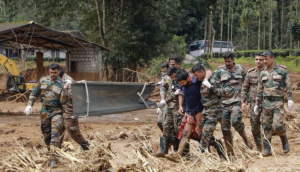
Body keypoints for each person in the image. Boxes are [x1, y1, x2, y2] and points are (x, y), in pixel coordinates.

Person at [204, 51, 253, 156]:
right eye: (225, 61)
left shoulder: (240, 69)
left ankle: (246, 139)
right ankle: (230, 152)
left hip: (237, 101)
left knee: (236, 121)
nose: (227, 63)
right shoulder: (220, 71)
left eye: (229, 61)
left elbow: (246, 85)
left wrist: (246, 100)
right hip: (224, 103)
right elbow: (213, 82)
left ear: (233, 60)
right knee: (225, 128)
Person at [24, 63, 64, 168]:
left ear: (59, 72)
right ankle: (53, 151)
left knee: (55, 134)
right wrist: (29, 105)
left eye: (55, 73)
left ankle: (53, 158)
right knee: (46, 135)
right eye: (51, 72)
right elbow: (34, 93)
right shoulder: (43, 81)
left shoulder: (63, 84)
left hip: (57, 112)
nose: (52, 74)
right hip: (45, 111)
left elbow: (68, 101)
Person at [254, 50, 294, 157]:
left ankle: (284, 139)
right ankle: (267, 148)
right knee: (266, 125)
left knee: (278, 125)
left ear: (272, 58)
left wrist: (290, 98)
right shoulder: (262, 72)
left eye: (266, 59)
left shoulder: (282, 70)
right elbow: (259, 89)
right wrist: (257, 103)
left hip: (278, 101)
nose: (264, 61)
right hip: (266, 101)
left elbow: (288, 85)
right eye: (263, 59)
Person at [165, 68, 204, 160]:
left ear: (187, 78)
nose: (181, 84)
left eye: (182, 82)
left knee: (203, 134)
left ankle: (213, 149)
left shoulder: (197, 81)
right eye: (180, 83)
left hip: (199, 112)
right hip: (189, 112)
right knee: (185, 133)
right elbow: (181, 93)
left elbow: (208, 72)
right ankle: (178, 154)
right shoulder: (181, 84)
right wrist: (180, 106)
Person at [192, 64, 225, 158]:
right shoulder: (201, 80)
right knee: (202, 133)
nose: (195, 77)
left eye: (196, 75)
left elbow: (222, 93)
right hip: (205, 111)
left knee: (206, 132)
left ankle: (199, 155)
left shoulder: (213, 80)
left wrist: (210, 86)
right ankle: (220, 149)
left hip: (214, 111)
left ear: (202, 72)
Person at [59, 69, 90, 150]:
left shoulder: (67, 81)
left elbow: (70, 98)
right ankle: (56, 148)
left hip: (69, 110)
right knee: (59, 130)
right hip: (63, 110)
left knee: (72, 129)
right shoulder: (62, 80)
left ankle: (85, 146)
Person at [155, 66, 181, 157]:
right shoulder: (168, 78)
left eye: (171, 75)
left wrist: (165, 101)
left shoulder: (180, 79)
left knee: (177, 129)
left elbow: (176, 94)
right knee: (166, 126)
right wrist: (162, 99)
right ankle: (164, 150)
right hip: (169, 106)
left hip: (177, 107)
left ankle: (179, 151)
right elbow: (163, 87)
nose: (171, 77)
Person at [241, 52, 265, 151]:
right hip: (254, 103)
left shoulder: (268, 72)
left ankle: (267, 146)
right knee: (254, 125)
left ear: (264, 60)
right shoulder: (250, 73)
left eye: (260, 59)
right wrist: (243, 101)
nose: (258, 61)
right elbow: (245, 87)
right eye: (256, 59)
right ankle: (260, 146)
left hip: (266, 102)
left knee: (266, 124)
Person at [156, 62, 169, 132]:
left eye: (165, 71)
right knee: (160, 122)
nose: (163, 73)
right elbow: (162, 89)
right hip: (165, 103)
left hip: (171, 104)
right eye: (162, 71)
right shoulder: (164, 79)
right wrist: (162, 100)